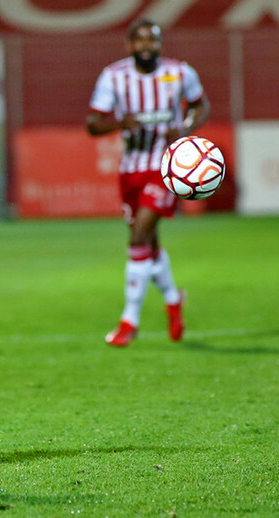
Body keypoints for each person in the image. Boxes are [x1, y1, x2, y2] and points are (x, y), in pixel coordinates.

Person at [86, 19, 210, 347]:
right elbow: (92, 124)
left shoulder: (180, 72)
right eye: (139, 41)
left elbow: (201, 106)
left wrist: (185, 127)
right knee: (147, 245)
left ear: (160, 44)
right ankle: (173, 298)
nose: (146, 46)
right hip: (131, 167)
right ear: (129, 45)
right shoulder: (114, 76)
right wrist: (118, 123)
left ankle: (129, 321)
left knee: (139, 235)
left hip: (168, 167)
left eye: (152, 41)